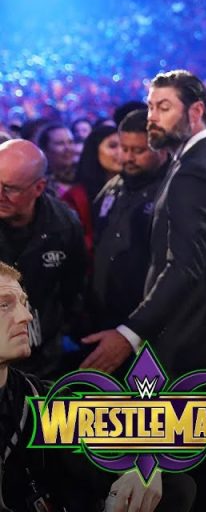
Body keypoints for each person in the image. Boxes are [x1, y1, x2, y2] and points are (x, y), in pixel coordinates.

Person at [79, 69, 206, 509]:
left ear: (195, 111)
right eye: (150, 106)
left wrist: (129, 334)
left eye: (163, 107)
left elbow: (183, 269)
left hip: (193, 341)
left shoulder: (194, 172)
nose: (151, 117)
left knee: (205, 470)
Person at [0, 260, 183, 511]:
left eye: (24, 303)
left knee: (173, 485)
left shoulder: (35, 401)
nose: (26, 316)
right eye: (4, 305)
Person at [0, 139, 87, 379]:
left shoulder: (64, 224)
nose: (0, 195)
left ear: (39, 188)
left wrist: (62, 330)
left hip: (44, 358)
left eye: (10, 188)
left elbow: (74, 288)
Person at [89, 110, 170, 357]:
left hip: (152, 326)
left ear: (161, 149)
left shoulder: (174, 190)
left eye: (138, 150)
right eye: (124, 149)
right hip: (105, 318)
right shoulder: (112, 188)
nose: (128, 157)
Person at [62, 124, 122, 254]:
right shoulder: (76, 196)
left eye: (124, 146)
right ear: (94, 150)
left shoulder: (137, 190)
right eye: (113, 146)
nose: (121, 152)